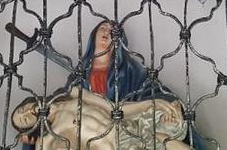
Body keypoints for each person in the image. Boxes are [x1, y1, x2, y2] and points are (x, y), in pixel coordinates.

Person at [12, 21, 196, 149]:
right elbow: (52, 108)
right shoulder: (77, 79)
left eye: (112, 31)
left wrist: (161, 104)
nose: (107, 32)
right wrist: (31, 137)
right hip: (101, 138)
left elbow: (149, 92)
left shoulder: (129, 70)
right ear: (94, 36)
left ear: (119, 42)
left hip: (128, 121)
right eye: (103, 28)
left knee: (162, 137)